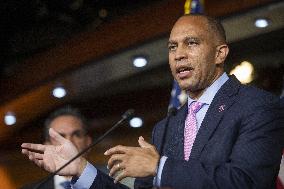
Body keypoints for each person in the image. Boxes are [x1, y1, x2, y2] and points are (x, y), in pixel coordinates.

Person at [21, 14, 284, 189]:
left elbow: (248, 181)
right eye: (172, 47)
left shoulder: (257, 107)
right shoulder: (166, 127)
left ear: (220, 53)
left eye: (191, 43)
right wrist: (81, 169)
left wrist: (160, 167)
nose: (179, 55)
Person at [21, 106, 92, 189]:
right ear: (47, 146)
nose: (69, 142)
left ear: (88, 142)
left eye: (76, 134)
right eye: (59, 136)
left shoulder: (109, 183)